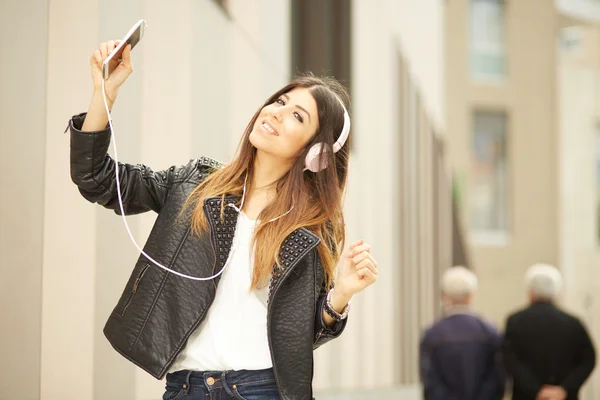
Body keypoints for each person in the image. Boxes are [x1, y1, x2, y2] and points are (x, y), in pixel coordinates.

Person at [68, 40, 378, 400]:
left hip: (259, 389)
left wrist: (340, 296)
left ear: (317, 155)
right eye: (280, 102)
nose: (276, 112)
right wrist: (103, 95)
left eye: (297, 116)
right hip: (185, 388)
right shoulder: (194, 183)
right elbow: (97, 179)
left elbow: (300, 334)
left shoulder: (310, 228)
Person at [503, 263, 596, 400]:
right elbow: (588, 360)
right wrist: (564, 389)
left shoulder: (516, 321)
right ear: (557, 291)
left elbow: (509, 359)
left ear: (530, 291)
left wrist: (536, 390)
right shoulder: (573, 323)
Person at [419, 266, 505, 400]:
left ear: (444, 295)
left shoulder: (432, 334)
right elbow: (497, 378)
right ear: (472, 294)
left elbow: (430, 382)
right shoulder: (489, 331)